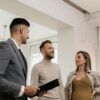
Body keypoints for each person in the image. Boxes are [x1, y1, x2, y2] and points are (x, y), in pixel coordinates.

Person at [0, 18, 40, 100]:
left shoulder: (17, 51)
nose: (28, 36)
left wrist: (30, 92)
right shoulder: (6, 46)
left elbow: (18, 82)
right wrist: (24, 89)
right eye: (28, 32)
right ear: (21, 30)